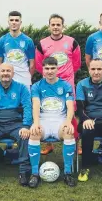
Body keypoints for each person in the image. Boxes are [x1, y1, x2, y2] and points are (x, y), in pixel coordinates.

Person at [35, 13, 81, 155]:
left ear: (63, 26)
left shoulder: (72, 42)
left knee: (71, 113)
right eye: (53, 24)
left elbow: (77, 63)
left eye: (58, 24)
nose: (55, 27)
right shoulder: (42, 43)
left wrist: (64, 75)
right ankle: (49, 144)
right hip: (48, 83)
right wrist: (50, 75)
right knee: (47, 110)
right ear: (49, 26)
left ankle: (76, 143)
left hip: (66, 82)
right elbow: (38, 64)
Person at [28, 57, 76, 188]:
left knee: (68, 132)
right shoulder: (37, 86)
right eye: (47, 68)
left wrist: (68, 121)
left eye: (52, 68)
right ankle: (34, 174)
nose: (49, 71)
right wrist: (36, 123)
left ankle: (67, 173)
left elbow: (70, 106)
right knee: (34, 133)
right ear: (42, 70)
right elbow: (36, 105)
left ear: (57, 69)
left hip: (60, 121)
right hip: (43, 121)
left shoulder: (65, 85)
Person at [0, 11, 35, 88]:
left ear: (20, 22)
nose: (14, 22)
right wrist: (4, 74)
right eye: (11, 20)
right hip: (7, 79)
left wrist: (27, 76)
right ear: (8, 22)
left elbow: (32, 64)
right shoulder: (2, 40)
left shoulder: (28, 41)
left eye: (16, 20)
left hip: (24, 79)